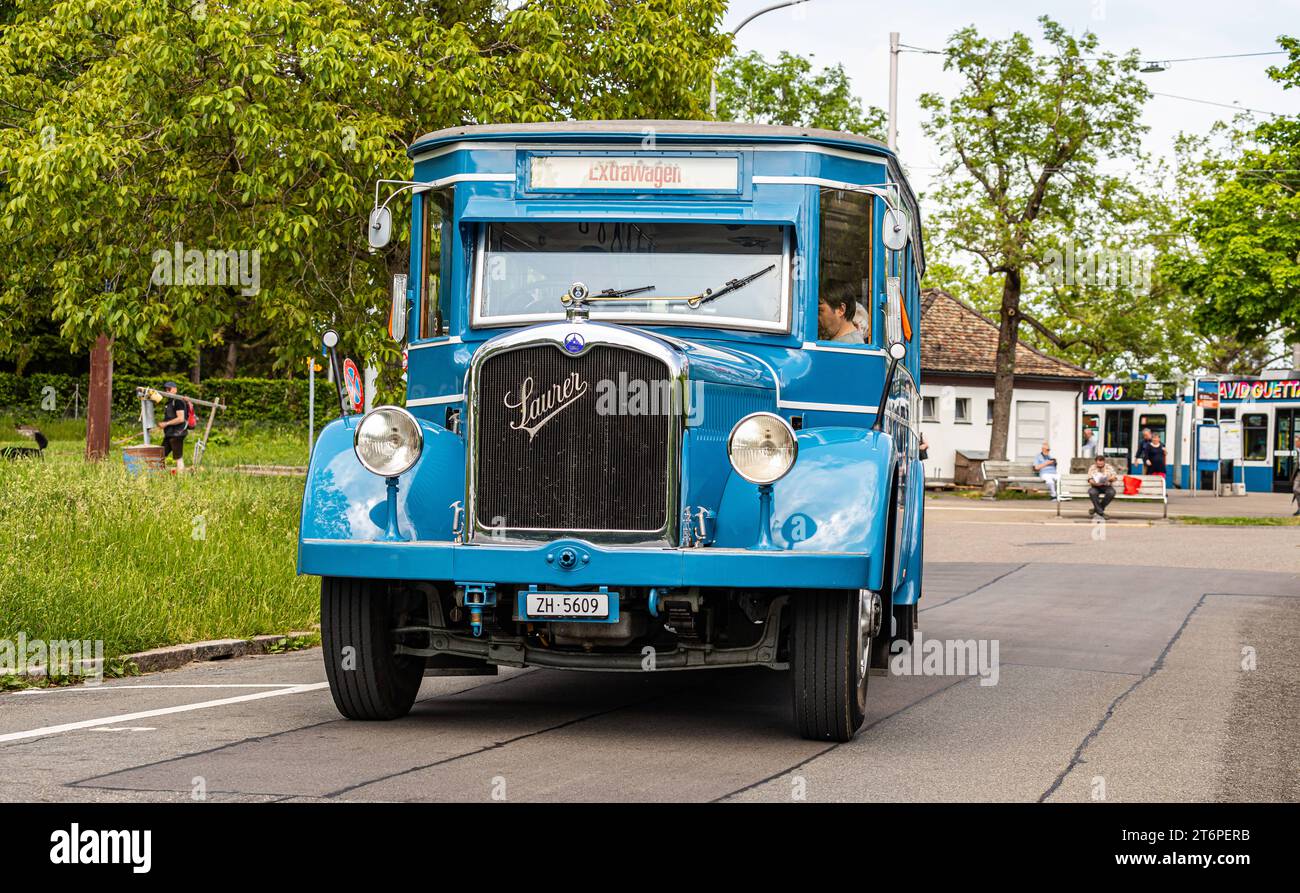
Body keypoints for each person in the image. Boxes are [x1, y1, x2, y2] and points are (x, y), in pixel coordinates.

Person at [157, 380, 189, 472]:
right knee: (161, 455)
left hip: (177, 433)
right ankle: (158, 474)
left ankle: (181, 477)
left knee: (178, 457)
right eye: (166, 389)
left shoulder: (178, 401)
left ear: (175, 390)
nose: (167, 391)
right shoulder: (169, 402)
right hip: (170, 433)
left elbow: (181, 418)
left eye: (169, 389)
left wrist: (166, 424)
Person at [1087, 455, 1119, 519]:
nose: (1100, 465)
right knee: (1092, 492)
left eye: (1102, 463)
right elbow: (1090, 480)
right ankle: (1101, 513)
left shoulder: (1109, 467)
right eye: (1098, 464)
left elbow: (1114, 477)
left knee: (1111, 492)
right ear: (1096, 462)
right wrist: (1095, 483)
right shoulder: (1092, 467)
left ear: (1104, 462)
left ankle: (1096, 509)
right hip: (1096, 486)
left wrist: (1109, 479)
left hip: (1106, 486)